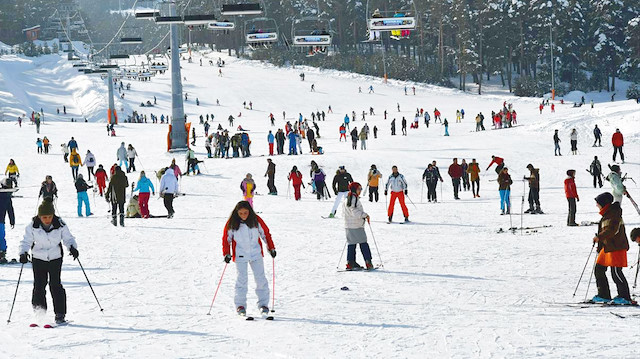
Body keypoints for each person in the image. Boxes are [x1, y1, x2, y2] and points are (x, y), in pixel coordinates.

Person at [19, 200, 78, 325]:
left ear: (53, 215)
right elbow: (26, 241)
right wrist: (23, 253)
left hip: (55, 257)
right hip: (38, 257)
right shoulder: (32, 226)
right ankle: (40, 313)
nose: (47, 220)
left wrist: (72, 247)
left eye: (49, 217)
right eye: (44, 217)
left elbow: (68, 238)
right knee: (39, 285)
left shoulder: (60, 224)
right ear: (39, 216)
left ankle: (60, 314)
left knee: (55, 285)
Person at [222, 201, 276, 316]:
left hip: (256, 254)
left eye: (245, 213)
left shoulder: (256, 220)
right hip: (240, 255)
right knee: (241, 280)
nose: (243, 215)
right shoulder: (232, 223)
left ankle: (263, 305)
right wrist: (226, 253)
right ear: (236, 213)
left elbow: (265, 234)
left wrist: (271, 248)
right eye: (240, 213)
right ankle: (240, 306)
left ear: (249, 212)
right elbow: (226, 239)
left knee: (261, 279)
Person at [591, 192, 633, 304]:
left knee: (616, 272)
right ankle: (603, 295)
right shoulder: (607, 214)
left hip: (616, 247)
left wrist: (599, 237)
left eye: (598, 203)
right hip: (608, 247)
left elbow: (612, 230)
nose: (596, 205)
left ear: (604, 204)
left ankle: (625, 297)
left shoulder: (614, 214)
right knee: (599, 269)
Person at [343, 182, 373, 270]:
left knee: (351, 244)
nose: (360, 190)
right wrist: (364, 215)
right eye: (359, 189)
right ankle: (368, 262)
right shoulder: (353, 198)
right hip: (356, 225)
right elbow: (354, 211)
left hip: (348, 225)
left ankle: (350, 262)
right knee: (363, 243)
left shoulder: (347, 198)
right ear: (354, 189)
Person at [0, 179, 16, 264]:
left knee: (1, 236)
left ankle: (2, 252)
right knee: (1, 236)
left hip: (1, 220)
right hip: (1, 220)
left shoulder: (7, 198)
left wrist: (12, 220)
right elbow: (10, 210)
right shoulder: (6, 197)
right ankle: (2, 251)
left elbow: (10, 210)